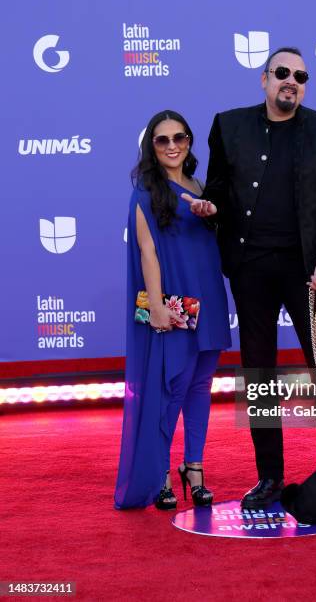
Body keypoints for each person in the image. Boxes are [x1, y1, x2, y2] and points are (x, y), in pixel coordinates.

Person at [185, 47, 316, 509]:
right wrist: (210, 205)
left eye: (301, 75)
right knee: (259, 375)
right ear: (264, 79)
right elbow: (217, 185)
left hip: (308, 273)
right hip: (251, 268)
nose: (291, 81)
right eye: (282, 72)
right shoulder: (229, 125)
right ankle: (270, 479)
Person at [114, 110, 231, 510]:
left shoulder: (199, 186)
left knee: (200, 387)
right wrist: (158, 304)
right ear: (152, 147)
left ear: (189, 140)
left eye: (179, 137)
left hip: (209, 298)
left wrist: (214, 213)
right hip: (176, 306)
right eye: (162, 140)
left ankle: (194, 469)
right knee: (172, 388)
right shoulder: (145, 191)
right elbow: (147, 252)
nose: (172, 146)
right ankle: (160, 473)